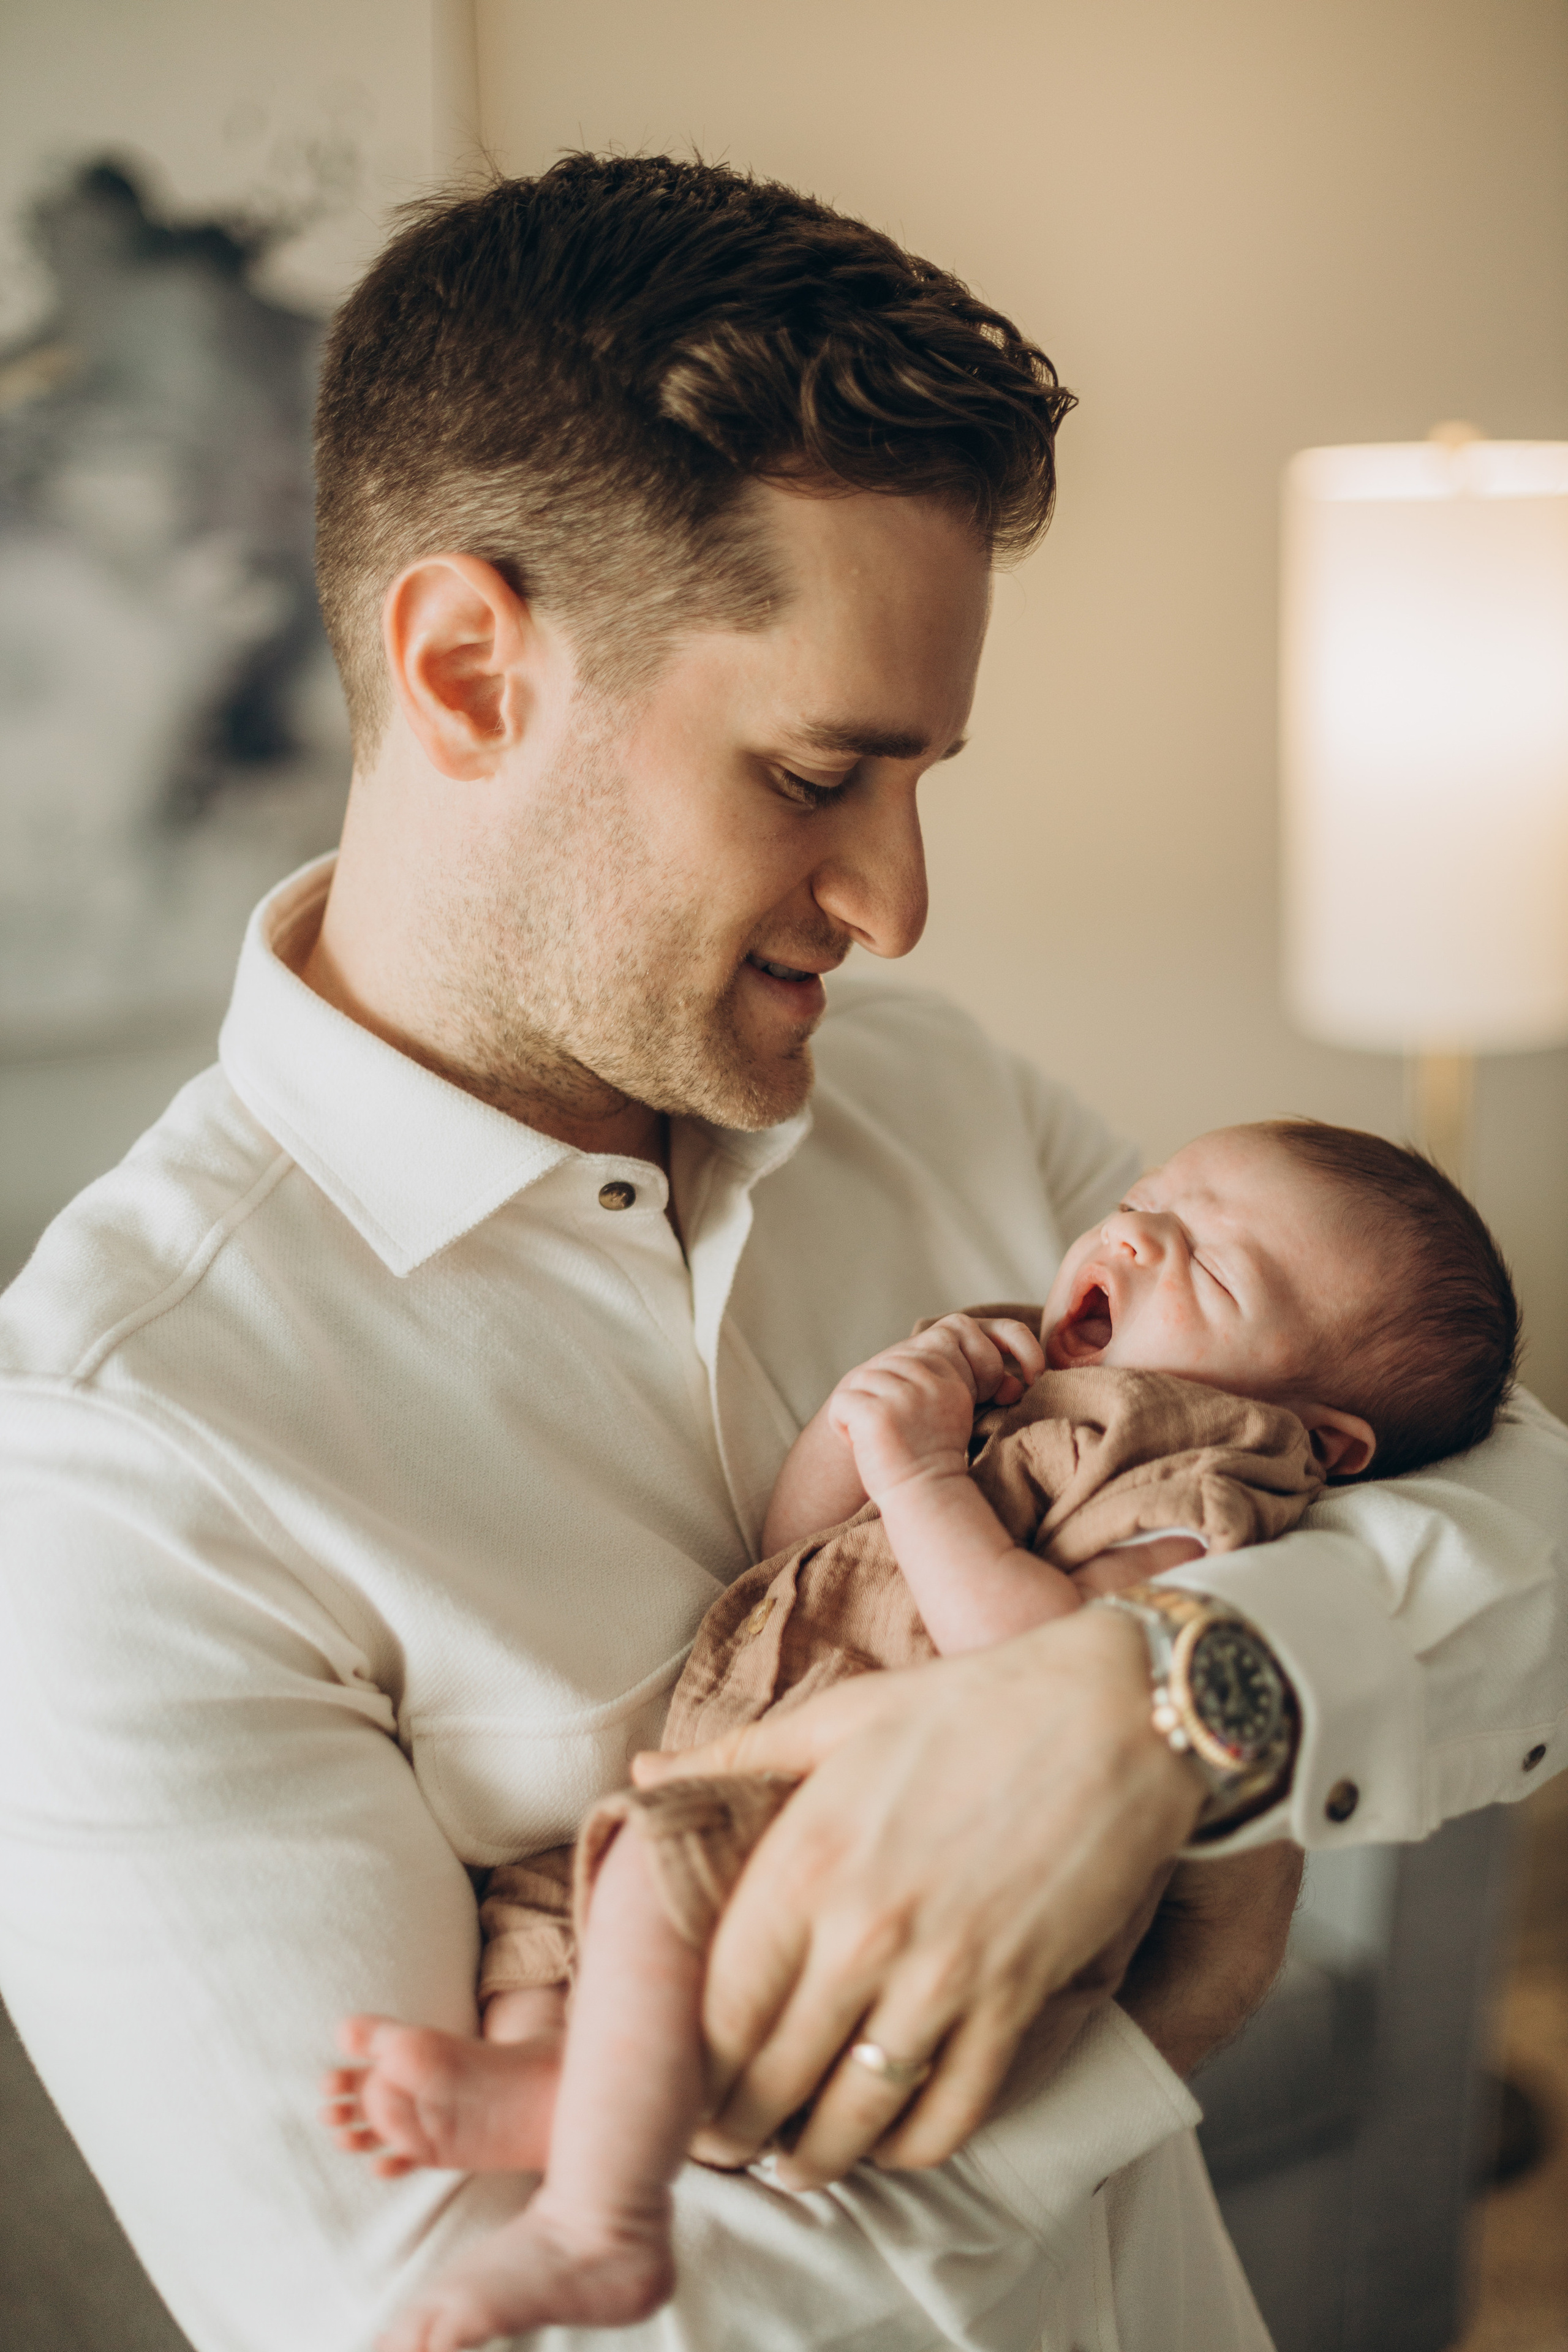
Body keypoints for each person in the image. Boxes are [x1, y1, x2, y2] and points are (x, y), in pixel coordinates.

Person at [1, 154, 1566, 2352]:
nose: (902, 903)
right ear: (466, 671)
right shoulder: (114, 1459)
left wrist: (1169, 1718)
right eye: (825, 772)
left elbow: (1535, 1524)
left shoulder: (941, 1107)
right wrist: (1131, 2042)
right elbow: (445, 2327)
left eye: (919, 778)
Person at [320, 1119, 1519, 2350]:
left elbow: (1048, 1673)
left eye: (1210, 1269)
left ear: (1324, 1437)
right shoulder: (1009, 1373)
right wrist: (866, 1420)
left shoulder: (1201, 1465)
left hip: (935, 1867)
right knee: (538, 1914)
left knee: (647, 1878)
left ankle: (598, 2224)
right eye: (1146, 1202)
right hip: (791, 1792)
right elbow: (791, 1555)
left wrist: (918, 1476)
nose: (1135, 1236)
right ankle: (557, 2088)